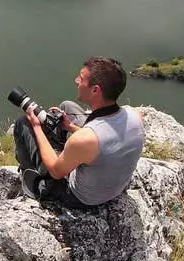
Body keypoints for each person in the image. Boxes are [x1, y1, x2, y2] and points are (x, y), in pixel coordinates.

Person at [12, 56, 144, 208]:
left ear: (95, 90)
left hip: (81, 198)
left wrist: (36, 127)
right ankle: (59, 145)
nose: (76, 81)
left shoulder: (85, 139)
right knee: (67, 105)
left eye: (81, 78)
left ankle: (31, 176)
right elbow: (105, 141)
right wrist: (69, 126)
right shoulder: (135, 116)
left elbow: (56, 171)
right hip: (113, 185)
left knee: (22, 123)